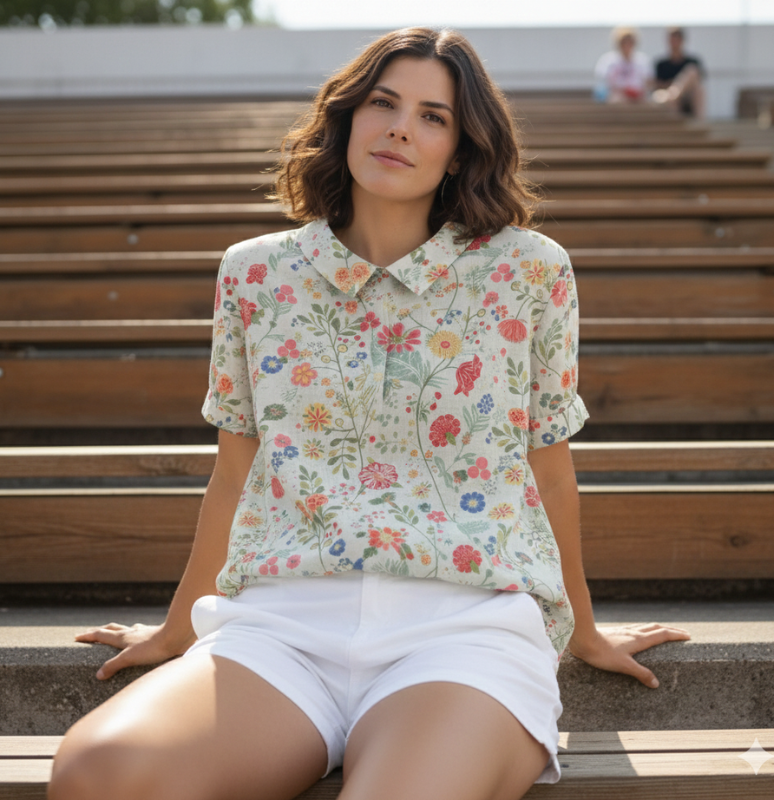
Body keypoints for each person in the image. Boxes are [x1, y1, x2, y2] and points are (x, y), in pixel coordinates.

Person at [48, 27, 692, 800]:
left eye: (433, 116)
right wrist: (180, 626)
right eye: (383, 104)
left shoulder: (528, 269)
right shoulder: (257, 274)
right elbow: (235, 471)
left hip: (465, 631)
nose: (399, 128)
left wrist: (581, 630)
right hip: (283, 629)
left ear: (459, 149)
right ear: (347, 118)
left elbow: (549, 470)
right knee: (98, 773)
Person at [653, 26, 706, 118]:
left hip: (686, 97)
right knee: (668, 99)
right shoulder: (661, 64)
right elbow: (658, 85)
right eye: (672, 39)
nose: (674, 42)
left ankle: (699, 123)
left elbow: (698, 81)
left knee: (693, 73)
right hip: (669, 99)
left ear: (682, 40)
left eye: (677, 38)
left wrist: (676, 89)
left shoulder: (693, 61)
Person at [594, 27, 653, 104]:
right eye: (624, 42)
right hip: (616, 98)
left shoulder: (643, 60)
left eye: (630, 42)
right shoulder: (607, 61)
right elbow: (604, 83)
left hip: (638, 98)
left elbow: (648, 82)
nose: (627, 45)